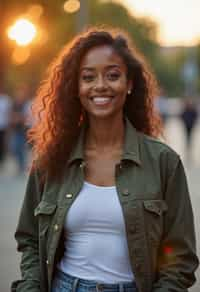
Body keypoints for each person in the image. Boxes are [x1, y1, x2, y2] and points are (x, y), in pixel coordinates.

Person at [12, 28, 199, 292]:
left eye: (113, 75)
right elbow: (30, 239)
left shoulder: (164, 162)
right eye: (88, 77)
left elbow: (179, 257)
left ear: (130, 83)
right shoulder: (51, 159)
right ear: (76, 87)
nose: (100, 85)